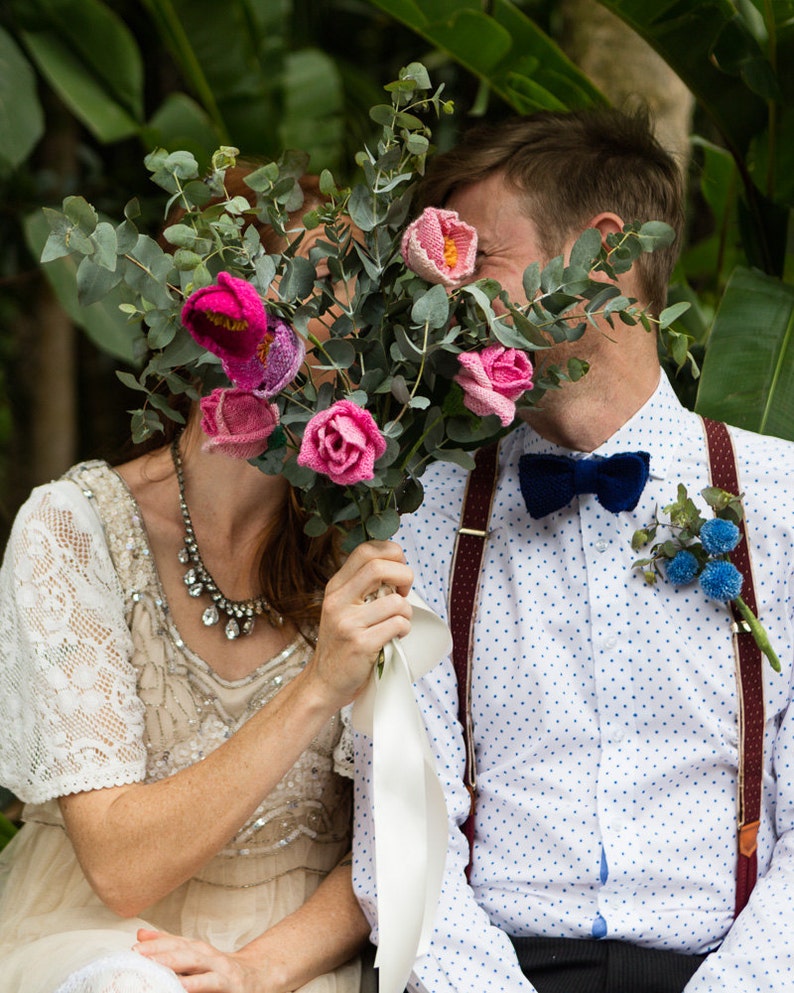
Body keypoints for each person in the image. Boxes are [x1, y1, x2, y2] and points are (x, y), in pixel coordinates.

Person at [352, 108, 794, 992]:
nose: (452, 300)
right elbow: (401, 838)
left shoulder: (782, 502)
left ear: (601, 255)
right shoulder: (421, 514)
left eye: (486, 263)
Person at [0, 176, 413, 993]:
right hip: (99, 938)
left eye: (352, 316)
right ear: (211, 325)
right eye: (297, 303)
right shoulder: (72, 529)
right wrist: (312, 691)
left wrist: (264, 967)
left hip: (297, 951)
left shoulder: (374, 544)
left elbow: (405, 826)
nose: (324, 338)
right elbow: (120, 868)